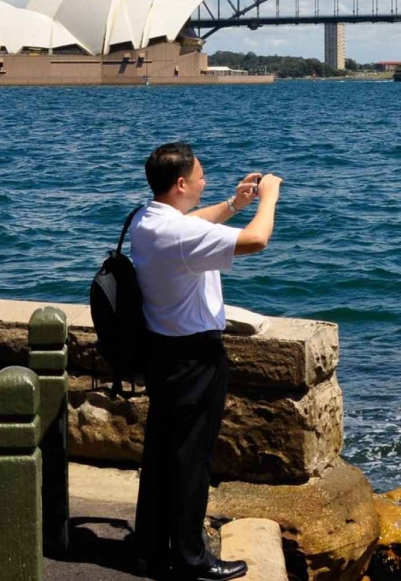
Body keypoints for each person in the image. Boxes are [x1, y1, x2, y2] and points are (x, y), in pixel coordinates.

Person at [130, 142, 282, 581]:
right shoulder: (179, 235)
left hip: (162, 352)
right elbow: (258, 239)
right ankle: (193, 560)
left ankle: (151, 549)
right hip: (195, 358)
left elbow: (193, 222)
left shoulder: (148, 220)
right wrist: (268, 198)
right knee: (192, 461)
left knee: (161, 456)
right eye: (200, 176)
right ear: (181, 184)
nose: (205, 181)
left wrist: (234, 204)